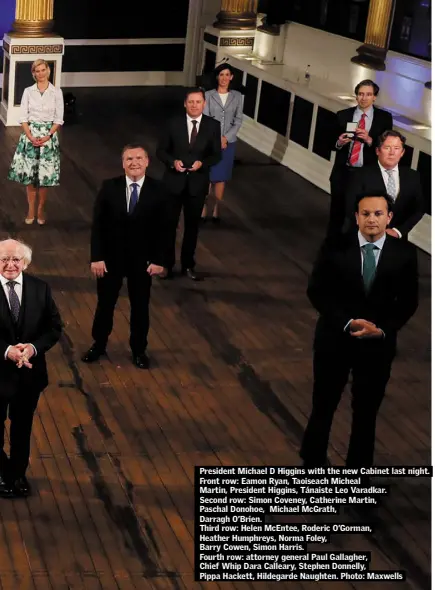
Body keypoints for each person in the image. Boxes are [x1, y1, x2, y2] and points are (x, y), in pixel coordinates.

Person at [300, 193, 418, 468]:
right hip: (335, 339)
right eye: (365, 214)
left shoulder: (405, 254)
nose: (372, 220)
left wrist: (383, 329)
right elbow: (317, 291)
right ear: (356, 217)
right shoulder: (334, 246)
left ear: (389, 218)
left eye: (378, 214)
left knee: (366, 413)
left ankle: (358, 472)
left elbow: (409, 302)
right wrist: (347, 322)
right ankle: (312, 463)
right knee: (324, 405)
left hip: (377, 345)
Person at [82, 144, 167, 369]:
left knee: (140, 307)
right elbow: (98, 225)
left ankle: (139, 350)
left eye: (139, 158)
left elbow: (165, 229)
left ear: (147, 162)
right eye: (129, 159)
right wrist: (96, 257)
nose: (134, 163)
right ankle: (98, 345)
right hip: (110, 260)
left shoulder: (159, 190)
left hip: (142, 261)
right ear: (123, 163)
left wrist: (159, 260)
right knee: (105, 305)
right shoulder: (109, 187)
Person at [0, 238, 62, 497]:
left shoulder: (41, 289)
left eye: (16, 259)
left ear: (25, 262)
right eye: (4, 259)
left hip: (29, 376)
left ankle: (16, 475)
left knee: (22, 430)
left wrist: (33, 348)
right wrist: (7, 351)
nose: (10, 264)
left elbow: (54, 328)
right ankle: (4, 472)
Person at [156, 87, 221, 280]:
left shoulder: (212, 126)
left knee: (192, 227)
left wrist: (202, 163)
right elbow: (161, 150)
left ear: (204, 104)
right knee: (168, 226)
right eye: (191, 102)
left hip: (197, 183)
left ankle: (188, 266)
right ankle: (166, 265)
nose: (194, 105)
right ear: (185, 103)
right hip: (173, 182)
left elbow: (216, 154)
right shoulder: (172, 124)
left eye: (198, 102)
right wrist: (172, 162)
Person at [328, 79, 392, 236]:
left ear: (374, 97)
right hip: (343, 173)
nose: (364, 98)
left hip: (366, 175)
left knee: (361, 216)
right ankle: (331, 250)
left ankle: (355, 251)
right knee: (337, 215)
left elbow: (387, 148)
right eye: (361, 94)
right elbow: (329, 142)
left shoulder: (384, 119)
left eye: (368, 94)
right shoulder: (343, 115)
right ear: (356, 96)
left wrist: (370, 140)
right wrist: (339, 142)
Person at [7, 59, 64, 225]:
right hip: (30, 136)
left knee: (44, 177)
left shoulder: (56, 92)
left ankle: (40, 209)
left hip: (48, 137)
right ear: (33, 73)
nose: (40, 74)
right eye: (36, 71)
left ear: (48, 71)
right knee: (30, 177)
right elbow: (23, 117)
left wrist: (48, 136)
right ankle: (31, 208)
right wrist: (31, 136)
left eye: (42, 70)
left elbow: (58, 119)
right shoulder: (28, 91)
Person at [346, 130, 425, 239]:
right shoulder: (360, 175)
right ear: (378, 151)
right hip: (365, 238)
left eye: (396, 148)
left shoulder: (412, 176)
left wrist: (398, 231)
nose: (392, 153)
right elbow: (351, 208)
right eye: (387, 148)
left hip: (397, 241)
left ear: (402, 153)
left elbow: (419, 209)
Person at [202, 63, 243, 223]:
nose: (224, 78)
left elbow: (238, 120)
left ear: (231, 77)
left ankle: (217, 210)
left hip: (229, 142)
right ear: (217, 77)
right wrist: (217, 138)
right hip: (210, 142)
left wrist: (226, 138)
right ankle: (204, 209)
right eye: (221, 74)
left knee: (221, 177)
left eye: (227, 75)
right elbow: (206, 119)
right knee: (208, 176)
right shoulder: (208, 95)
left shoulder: (237, 96)